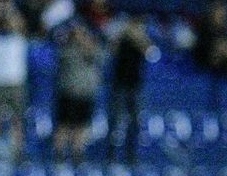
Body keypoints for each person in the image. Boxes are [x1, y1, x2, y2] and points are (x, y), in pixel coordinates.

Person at [0, 0, 29, 163]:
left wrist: (8, 9)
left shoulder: (19, 39)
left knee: (17, 120)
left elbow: (20, 25)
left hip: (15, 83)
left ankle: (18, 152)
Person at [52, 21, 104, 162]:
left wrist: (85, 40)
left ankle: (77, 153)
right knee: (64, 124)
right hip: (69, 93)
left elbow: (96, 55)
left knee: (82, 125)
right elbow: (62, 57)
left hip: (86, 93)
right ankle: (59, 154)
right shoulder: (66, 49)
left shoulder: (92, 48)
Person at [107, 15, 153, 164]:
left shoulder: (142, 40)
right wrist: (123, 35)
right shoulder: (121, 38)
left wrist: (138, 37)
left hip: (135, 85)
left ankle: (131, 154)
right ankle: (112, 155)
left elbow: (150, 53)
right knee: (116, 120)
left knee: (135, 122)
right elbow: (112, 49)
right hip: (119, 84)